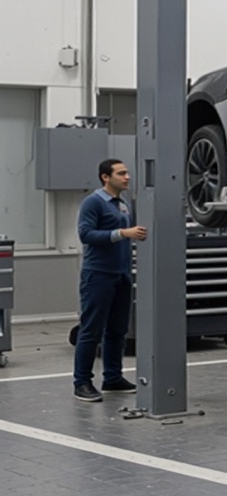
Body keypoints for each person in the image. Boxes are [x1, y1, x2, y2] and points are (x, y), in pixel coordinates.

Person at [72, 158, 147, 402]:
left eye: (127, 173)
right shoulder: (93, 202)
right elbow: (86, 234)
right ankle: (82, 382)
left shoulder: (123, 203)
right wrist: (123, 233)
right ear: (106, 177)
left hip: (121, 273)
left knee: (118, 329)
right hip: (98, 274)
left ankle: (113, 377)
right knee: (91, 329)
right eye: (122, 173)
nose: (127, 177)